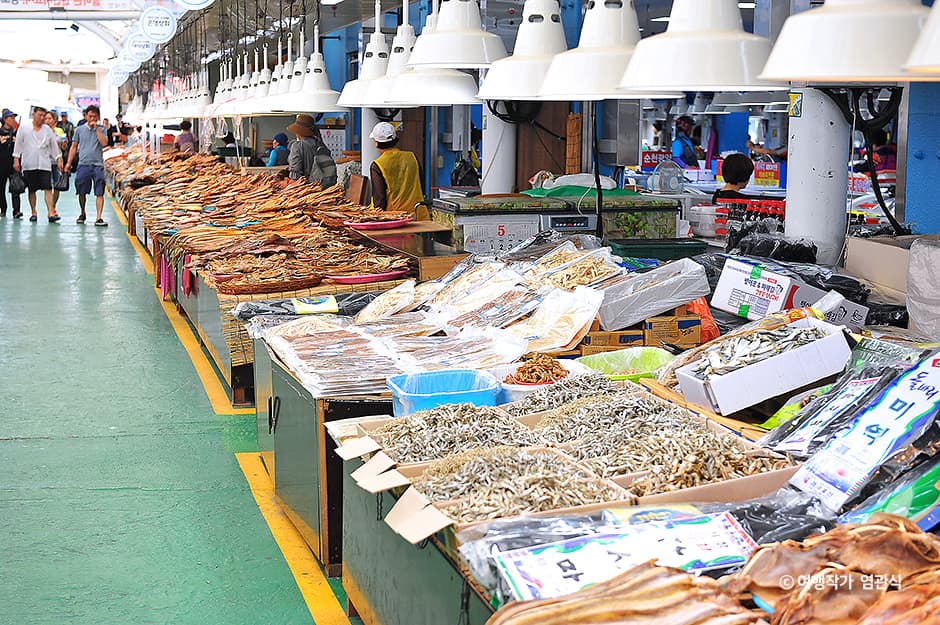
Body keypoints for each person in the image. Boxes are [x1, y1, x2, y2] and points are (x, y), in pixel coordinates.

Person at [13, 106, 63, 223]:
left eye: (43, 116)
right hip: (29, 163)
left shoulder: (47, 130)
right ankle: (33, 211)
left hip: (44, 163)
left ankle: (50, 212)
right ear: (33, 115)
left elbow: (53, 146)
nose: (42, 118)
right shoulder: (24, 129)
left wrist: (58, 158)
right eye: (39, 115)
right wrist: (16, 159)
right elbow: (18, 145)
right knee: (32, 189)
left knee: (47, 188)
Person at [368, 121, 425, 219]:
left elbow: (379, 201)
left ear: (376, 143)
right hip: (418, 215)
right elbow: (422, 185)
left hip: (394, 219)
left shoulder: (377, 165)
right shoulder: (412, 157)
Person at [65, 105, 109, 227]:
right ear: (85, 116)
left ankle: (99, 217)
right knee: (81, 191)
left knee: (99, 191)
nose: (92, 118)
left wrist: (97, 130)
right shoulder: (79, 130)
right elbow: (74, 147)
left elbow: (104, 143)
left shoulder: (102, 129)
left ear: (98, 117)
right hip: (83, 164)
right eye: (90, 116)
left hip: (98, 165)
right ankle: (82, 212)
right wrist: (68, 163)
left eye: (95, 116)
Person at [286, 114, 337, 187]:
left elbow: (295, 172)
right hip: (323, 188)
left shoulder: (297, 146)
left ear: (298, 132)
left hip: (306, 190)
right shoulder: (321, 145)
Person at [0, 109, 22, 218]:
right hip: (1, 164)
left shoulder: (16, 133)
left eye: (14, 117)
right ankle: (3, 209)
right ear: (5, 119)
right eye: (11, 117)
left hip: (13, 164)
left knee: (16, 187)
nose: (13, 120)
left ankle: (16, 210)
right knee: (1, 188)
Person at [45, 110, 67, 212]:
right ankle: (51, 210)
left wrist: (64, 144)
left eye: (49, 118)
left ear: (55, 120)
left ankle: (53, 205)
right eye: (46, 118)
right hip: (45, 162)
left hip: (57, 162)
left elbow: (63, 147)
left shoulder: (59, 131)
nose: (47, 121)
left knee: (57, 186)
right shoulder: (42, 131)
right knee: (48, 187)